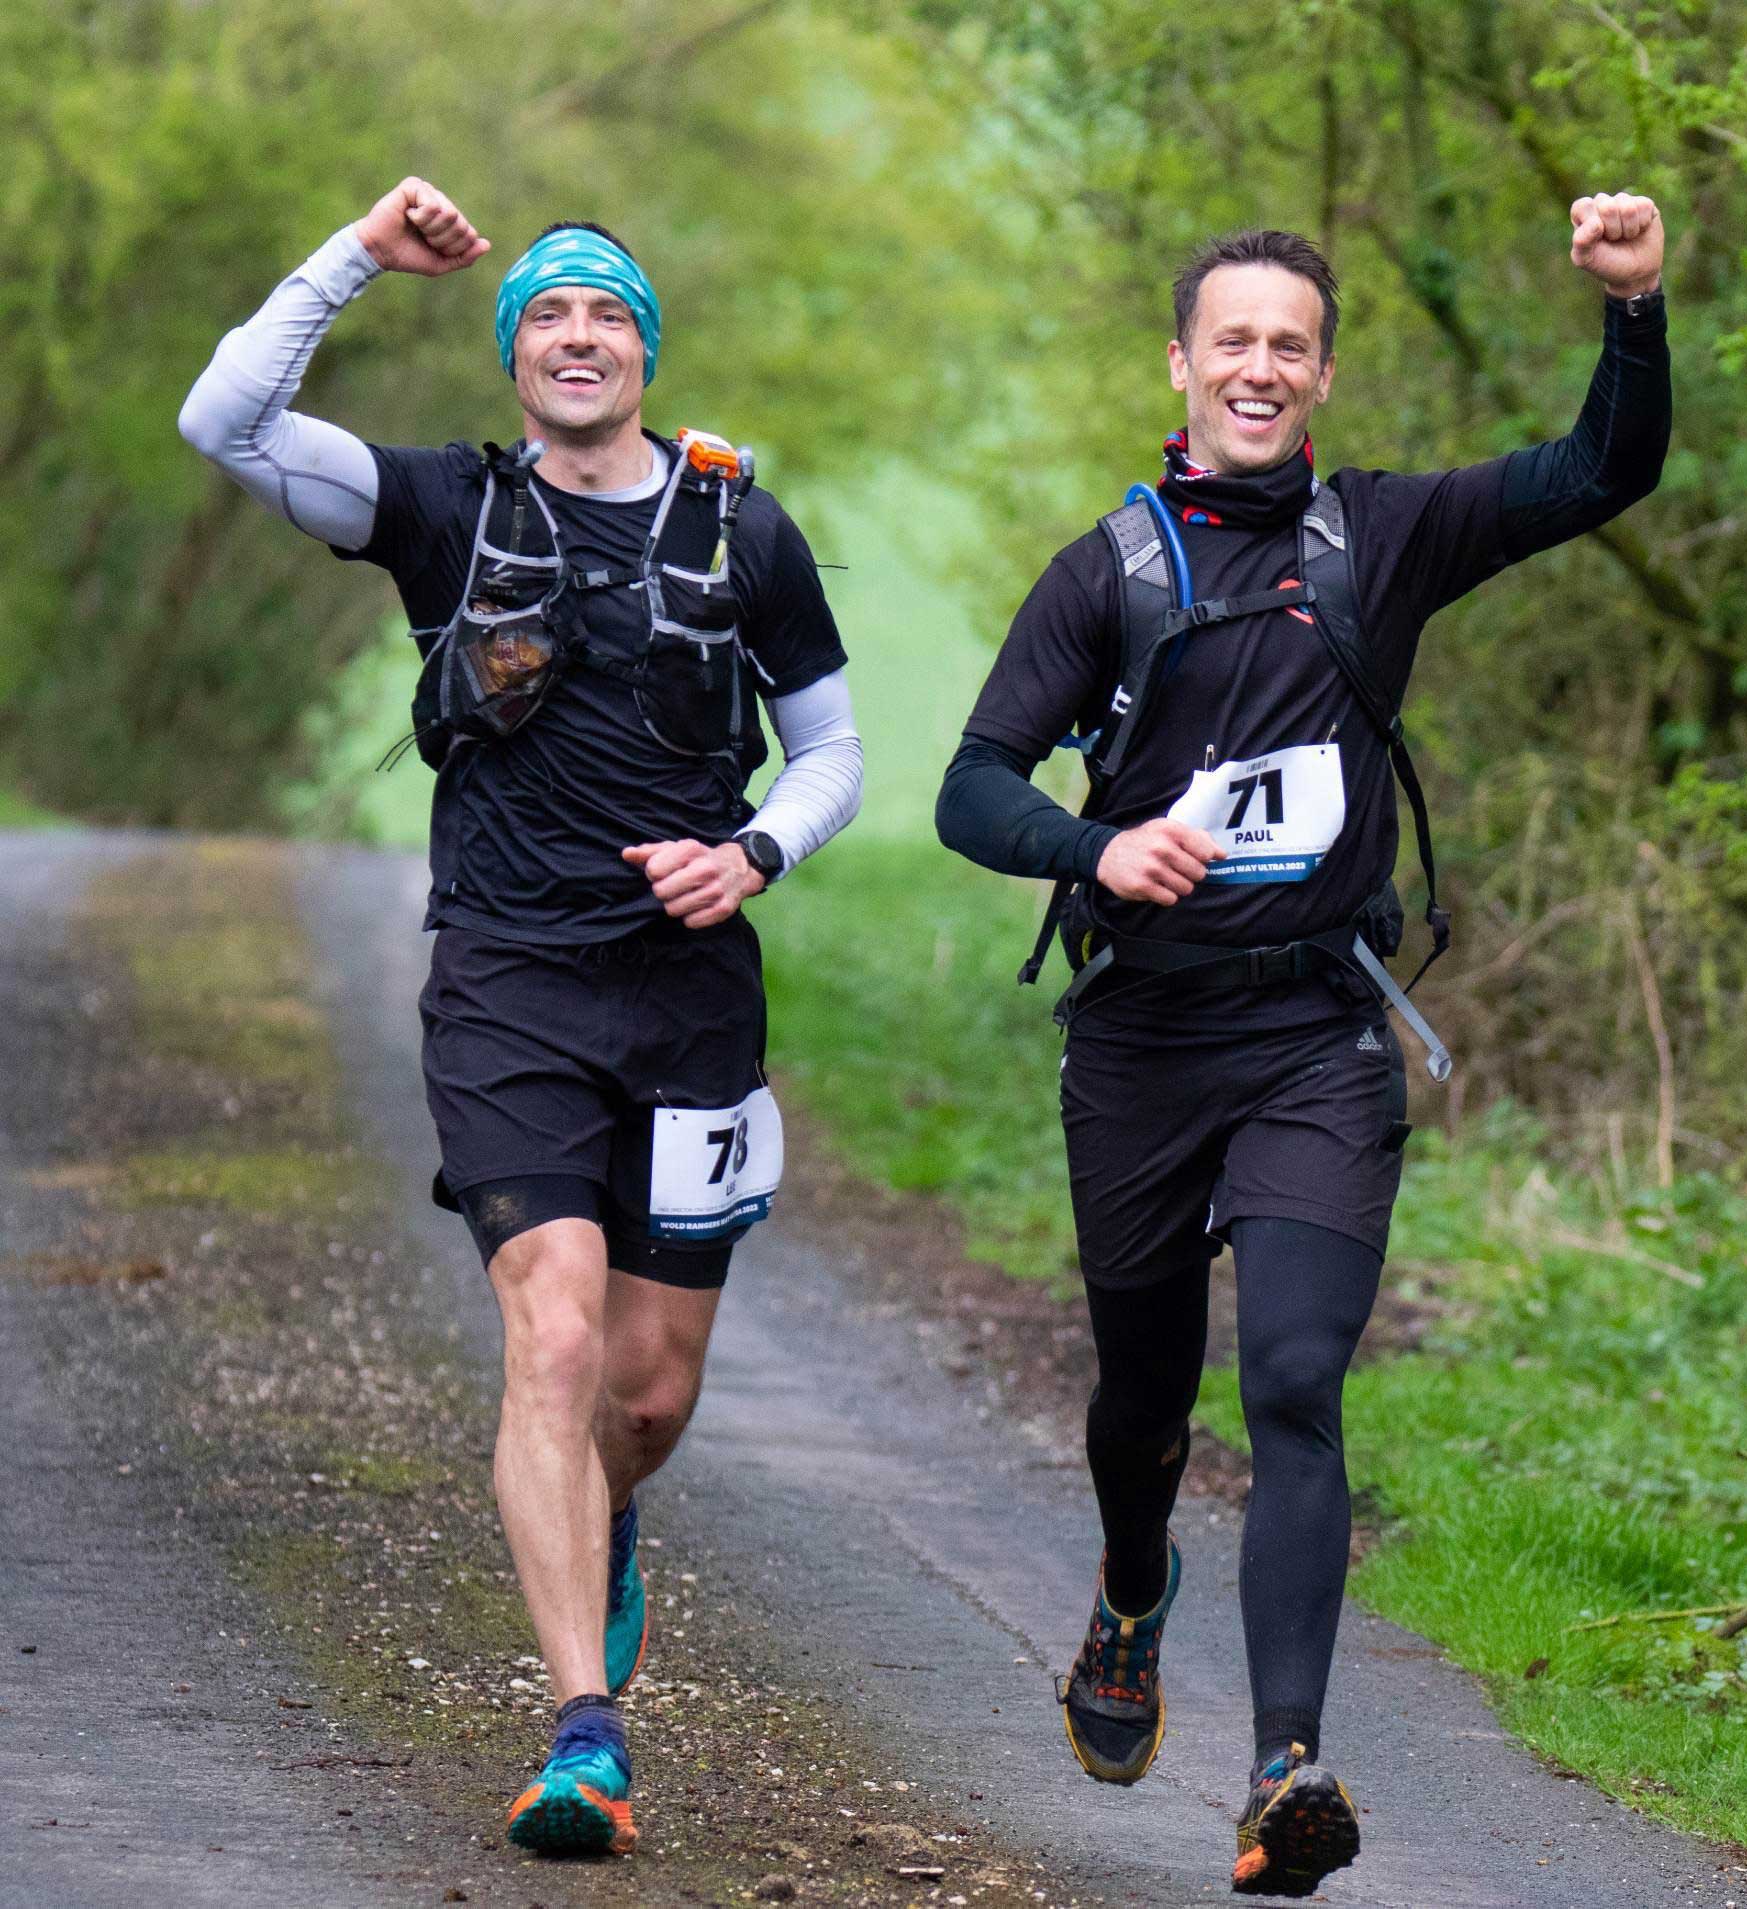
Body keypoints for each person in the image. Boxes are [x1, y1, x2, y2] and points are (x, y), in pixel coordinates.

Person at [935, 198, 1668, 1894]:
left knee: (1290, 1381)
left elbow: (1598, 472)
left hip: (1316, 1036)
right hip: (1138, 1042)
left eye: (1290, 343)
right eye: (1232, 341)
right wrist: (1092, 849)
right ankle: (1131, 1594)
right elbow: (972, 787)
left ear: (1321, 374)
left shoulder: (1383, 537)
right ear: (1181, 367)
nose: (1259, 367)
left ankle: (1283, 1765)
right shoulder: (1108, 569)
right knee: (1142, 1400)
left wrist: (1632, 311)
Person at [180, 179, 863, 1856]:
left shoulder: (742, 533)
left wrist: (759, 849)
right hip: (505, 981)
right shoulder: (442, 511)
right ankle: (584, 1732)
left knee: (643, 1392)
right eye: (547, 316)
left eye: (607, 314)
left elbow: (836, 748)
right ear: (512, 355)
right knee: (549, 1338)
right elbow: (223, 416)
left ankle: (599, 1519)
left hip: (692, 996)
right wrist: (358, 256)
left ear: (644, 347)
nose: (577, 336)